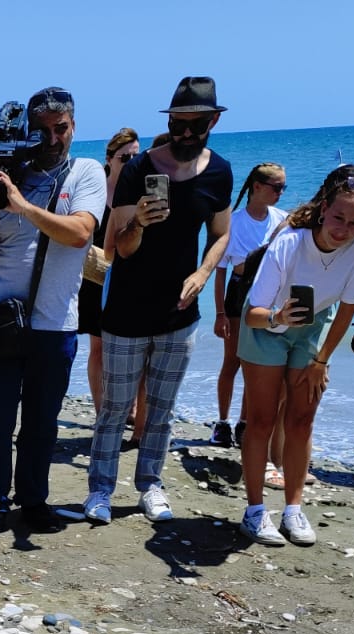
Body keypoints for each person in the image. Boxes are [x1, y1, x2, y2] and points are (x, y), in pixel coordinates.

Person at [85, 76, 232, 527]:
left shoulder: (220, 171)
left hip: (179, 314)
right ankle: (100, 491)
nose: (187, 134)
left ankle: (150, 484)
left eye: (197, 125)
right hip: (127, 311)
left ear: (212, 122)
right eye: (180, 124)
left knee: (163, 411)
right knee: (114, 409)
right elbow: (118, 248)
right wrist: (140, 225)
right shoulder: (138, 169)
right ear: (171, 121)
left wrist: (204, 272)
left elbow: (222, 234)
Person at [0, 87, 105, 541]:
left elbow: (80, 233)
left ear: (73, 127)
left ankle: (35, 503)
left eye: (60, 128)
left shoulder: (86, 172)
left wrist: (20, 204)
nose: (52, 138)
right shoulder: (7, 176)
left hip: (56, 322)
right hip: (5, 321)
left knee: (42, 423)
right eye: (42, 130)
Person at [238, 166, 354, 547]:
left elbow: (348, 310)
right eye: (338, 217)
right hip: (267, 323)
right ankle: (254, 511)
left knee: (302, 418)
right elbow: (254, 313)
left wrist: (321, 362)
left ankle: (293, 508)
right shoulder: (289, 242)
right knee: (262, 419)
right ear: (323, 210)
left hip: (315, 326)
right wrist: (278, 317)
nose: (343, 229)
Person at [211, 163, 286, 447]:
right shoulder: (233, 221)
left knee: (256, 363)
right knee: (232, 361)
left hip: (269, 294)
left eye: (283, 188)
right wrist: (219, 313)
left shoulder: (282, 219)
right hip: (239, 291)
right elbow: (219, 271)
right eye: (276, 187)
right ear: (257, 186)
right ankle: (222, 422)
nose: (280, 193)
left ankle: (244, 423)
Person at [77, 128, 138, 414]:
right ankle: (102, 410)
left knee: (132, 349)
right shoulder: (94, 189)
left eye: (137, 156)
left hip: (131, 278)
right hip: (95, 277)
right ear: (110, 158)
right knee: (99, 347)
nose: (131, 162)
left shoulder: (139, 191)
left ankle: (132, 408)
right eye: (126, 157)